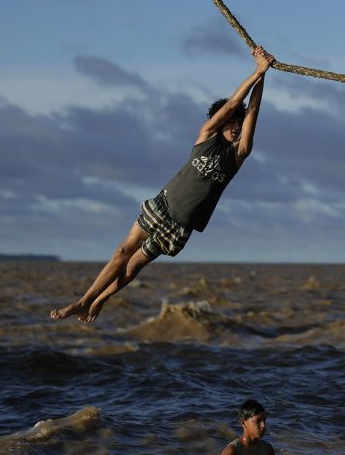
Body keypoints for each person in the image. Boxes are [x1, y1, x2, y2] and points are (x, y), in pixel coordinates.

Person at [51, 47, 276, 324]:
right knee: (123, 252)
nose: (236, 128)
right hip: (163, 206)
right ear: (220, 123)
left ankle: (98, 301)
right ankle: (82, 301)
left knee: (133, 269)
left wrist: (264, 75)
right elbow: (234, 105)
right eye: (232, 124)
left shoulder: (238, 156)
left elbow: (252, 111)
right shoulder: (205, 137)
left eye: (239, 126)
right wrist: (257, 71)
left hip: (181, 227)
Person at [211, 399, 279, 455]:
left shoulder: (268, 450)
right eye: (258, 421)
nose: (263, 425)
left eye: (264, 420)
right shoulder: (231, 451)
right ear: (243, 423)